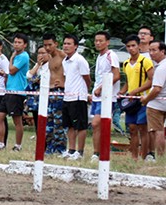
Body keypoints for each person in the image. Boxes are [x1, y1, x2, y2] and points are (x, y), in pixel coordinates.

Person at [141, 40, 166, 159]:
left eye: (154, 50)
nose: (151, 53)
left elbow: (157, 89)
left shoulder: (162, 67)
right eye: (150, 50)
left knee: (157, 131)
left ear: (162, 51)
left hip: (157, 104)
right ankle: (155, 154)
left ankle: (159, 155)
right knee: (158, 129)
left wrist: (146, 99)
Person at [121, 34, 154, 160]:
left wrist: (136, 91)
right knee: (132, 128)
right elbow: (128, 81)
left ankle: (144, 155)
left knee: (142, 128)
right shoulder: (126, 63)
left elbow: (151, 80)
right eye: (128, 46)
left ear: (139, 46)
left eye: (133, 46)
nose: (131, 49)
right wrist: (122, 92)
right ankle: (134, 156)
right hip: (130, 100)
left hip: (142, 99)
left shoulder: (145, 61)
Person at [0, 33, 30, 151]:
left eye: (19, 42)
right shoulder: (17, 56)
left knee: (17, 120)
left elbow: (12, 70)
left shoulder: (23, 56)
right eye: (15, 42)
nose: (16, 44)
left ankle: (18, 145)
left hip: (17, 92)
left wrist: (10, 58)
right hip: (9, 91)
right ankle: (1, 144)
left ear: (25, 45)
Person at [90, 31, 121, 161]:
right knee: (96, 124)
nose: (98, 43)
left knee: (98, 123)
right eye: (96, 40)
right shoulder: (99, 56)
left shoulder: (111, 55)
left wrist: (101, 88)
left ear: (107, 42)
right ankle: (97, 152)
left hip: (107, 96)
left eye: (101, 40)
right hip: (97, 96)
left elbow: (116, 75)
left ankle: (100, 152)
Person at [60, 34, 91, 160]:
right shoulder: (65, 61)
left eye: (69, 44)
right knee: (69, 125)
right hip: (67, 97)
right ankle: (71, 150)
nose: (66, 46)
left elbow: (87, 78)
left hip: (78, 97)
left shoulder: (80, 60)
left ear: (76, 46)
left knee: (80, 126)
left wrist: (85, 92)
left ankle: (80, 151)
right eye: (65, 43)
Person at [42, 34, 67, 154]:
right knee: (49, 122)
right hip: (50, 91)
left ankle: (60, 148)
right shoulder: (49, 58)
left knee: (59, 122)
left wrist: (64, 84)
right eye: (45, 45)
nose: (47, 47)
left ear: (56, 44)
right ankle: (50, 147)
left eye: (50, 45)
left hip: (59, 92)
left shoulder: (62, 55)